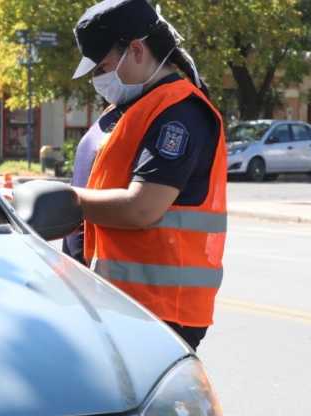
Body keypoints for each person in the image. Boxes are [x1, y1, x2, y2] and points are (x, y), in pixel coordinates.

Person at [64, 0, 227, 350]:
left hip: (158, 310)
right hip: (116, 301)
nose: (99, 79)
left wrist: (65, 203)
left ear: (136, 50)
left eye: (104, 67)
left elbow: (142, 208)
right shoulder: (129, 109)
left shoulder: (179, 114)